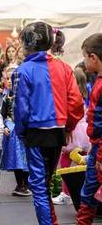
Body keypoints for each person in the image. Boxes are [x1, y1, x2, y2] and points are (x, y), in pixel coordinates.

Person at [12, 22, 84, 225]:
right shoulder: (64, 67)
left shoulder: (22, 71)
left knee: (39, 186)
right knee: (45, 182)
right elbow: (76, 102)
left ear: (26, 44)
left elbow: (21, 108)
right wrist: (68, 126)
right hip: (58, 131)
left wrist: (21, 132)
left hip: (35, 133)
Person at [53, 68, 91, 205]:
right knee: (81, 163)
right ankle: (75, 192)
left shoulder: (74, 97)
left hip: (74, 131)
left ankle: (66, 194)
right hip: (82, 131)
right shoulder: (83, 95)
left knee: (65, 162)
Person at [75, 33, 102, 225]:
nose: (84, 62)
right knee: (90, 190)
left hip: (100, 150)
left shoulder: (100, 86)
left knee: (90, 190)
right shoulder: (97, 83)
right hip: (98, 146)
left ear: (93, 57)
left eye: (85, 57)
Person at [0, 66, 30, 197]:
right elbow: (3, 114)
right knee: (17, 159)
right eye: (7, 78)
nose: (10, 81)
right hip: (13, 132)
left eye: (13, 78)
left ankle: (27, 184)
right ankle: (20, 184)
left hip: (26, 130)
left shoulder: (26, 95)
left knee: (26, 159)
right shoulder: (7, 97)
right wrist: (4, 126)